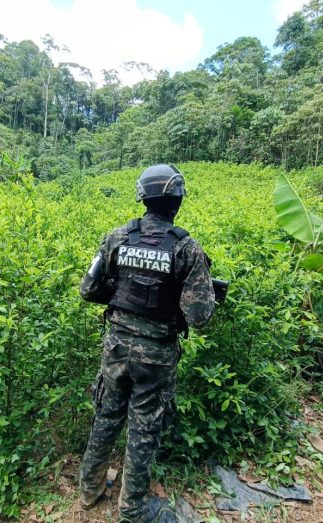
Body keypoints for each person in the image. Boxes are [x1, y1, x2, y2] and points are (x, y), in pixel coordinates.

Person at [78, 164, 216, 522]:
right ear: (177, 200)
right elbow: (200, 316)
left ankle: (89, 491)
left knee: (106, 416)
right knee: (142, 428)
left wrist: (122, 296)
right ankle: (130, 509)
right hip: (156, 357)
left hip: (117, 349)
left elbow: (88, 289)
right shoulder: (187, 248)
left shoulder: (117, 237)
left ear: (143, 197)